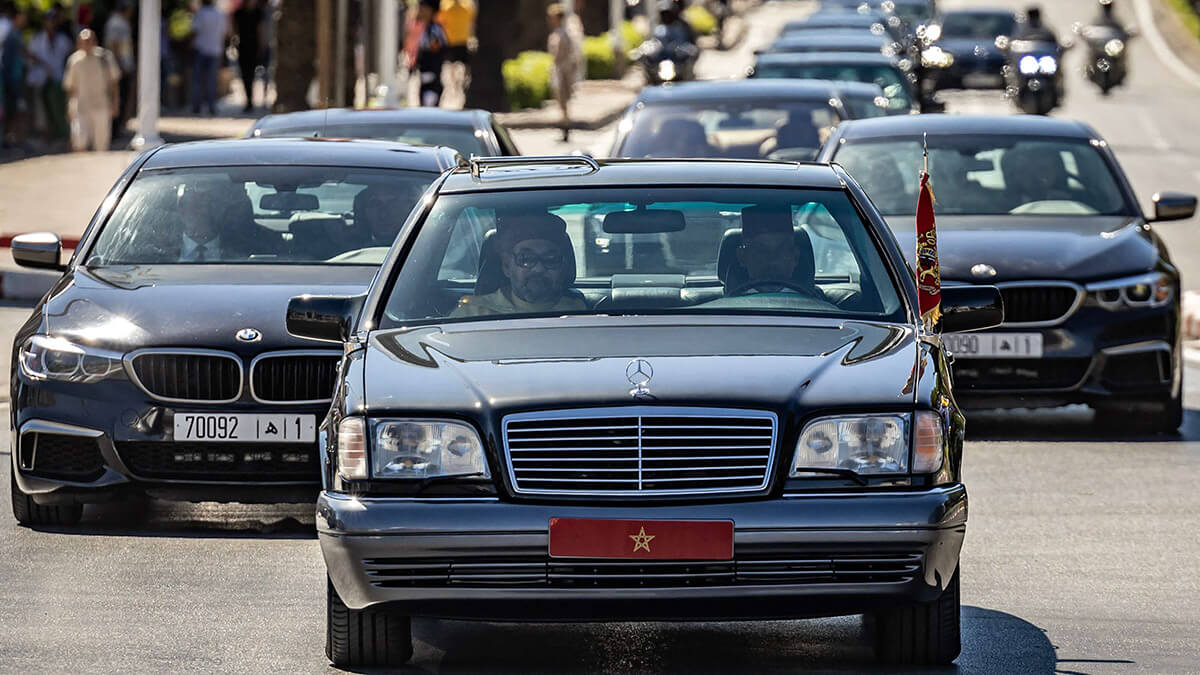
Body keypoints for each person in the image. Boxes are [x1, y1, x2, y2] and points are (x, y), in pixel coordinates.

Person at [451, 212, 588, 317]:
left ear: (562, 267)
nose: (539, 268)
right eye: (526, 259)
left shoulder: (580, 313)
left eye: (550, 259)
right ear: (506, 266)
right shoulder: (472, 313)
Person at [731, 205, 831, 305]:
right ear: (742, 256)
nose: (772, 258)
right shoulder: (721, 312)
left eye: (782, 249)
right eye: (761, 250)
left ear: (795, 256)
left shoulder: (822, 309)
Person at [63, 28, 119, 152]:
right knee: (79, 141)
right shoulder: (74, 61)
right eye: (83, 42)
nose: (86, 45)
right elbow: (70, 86)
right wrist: (69, 107)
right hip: (81, 107)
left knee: (101, 144)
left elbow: (114, 83)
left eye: (89, 41)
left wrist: (115, 103)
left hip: (101, 105)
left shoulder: (105, 58)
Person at [27, 10, 72, 143]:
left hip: (58, 79)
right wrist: (43, 67)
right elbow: (30, 56)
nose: (50, 23)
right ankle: (45, 135)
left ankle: (59, 134)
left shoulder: (63, 39)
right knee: (41, 109)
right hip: (40, 79)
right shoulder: (37, 39)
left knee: (58, 107)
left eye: (53, 20)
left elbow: (69, 55)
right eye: (48, 20)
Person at [546, 3, 580, 142]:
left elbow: (563, 56)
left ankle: (565, 128)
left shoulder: (563, 34)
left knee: (563, 102)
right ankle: (564, 127)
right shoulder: (560, 33)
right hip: (561, 71)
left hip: (562, 72)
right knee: (561, 102)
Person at [406, 0, 448, 107]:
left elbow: (435, 54)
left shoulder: (434, 30)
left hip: (431, 79)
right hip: (424, 76)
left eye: (423, 9)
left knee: (429, 106)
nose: (419, 12)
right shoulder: (421, 27)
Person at [103, 0, 134, 135]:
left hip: (122, 66)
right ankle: (114, 131)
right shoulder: (116, 23)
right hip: (118, 68)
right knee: (118, 98)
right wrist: (120, 66)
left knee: (123, 97)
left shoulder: (121, 22)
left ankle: (118, 129)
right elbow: (113, 46)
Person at [190, 0, 226, 115]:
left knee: (198, 80)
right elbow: (224, 33)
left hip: (201, 49)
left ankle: (197, 106)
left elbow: (195, 30)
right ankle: (212, 106)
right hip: (215, 50)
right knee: (211, 80)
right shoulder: (220, 14)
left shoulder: (200, 13)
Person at [1, 8, 27, 149]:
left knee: (16, 110)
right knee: (13, 110)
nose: (25, 20)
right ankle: (11, 139)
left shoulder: (16, 34)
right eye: (22, 16)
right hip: (10, 79)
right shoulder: (10, 35)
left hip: (15, 78)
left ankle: (13, 139)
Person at [438, 0, 475, 100]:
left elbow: (440, 21)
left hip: (452, 41)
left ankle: (454, 86)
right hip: (460, 41)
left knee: (452, 66)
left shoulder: (446, 7)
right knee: (463, 66)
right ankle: (457, 85)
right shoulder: (467, 7)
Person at [233, 0, 264, 112]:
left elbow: (260, 30)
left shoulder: (257, 12)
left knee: (251, 75)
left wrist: (261, 47)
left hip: (253, 48)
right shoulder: (238, 13)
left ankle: (250, 100)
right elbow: (234, 30)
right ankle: (249, 100)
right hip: (243, 47)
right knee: (245, 75)